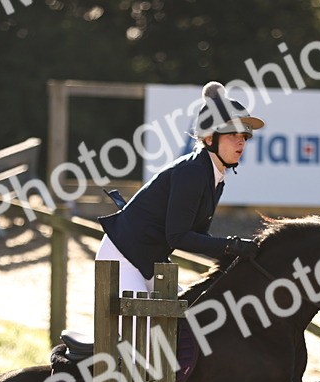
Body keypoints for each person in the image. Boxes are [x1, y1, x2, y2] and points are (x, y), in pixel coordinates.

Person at [96, 81, 265, 295]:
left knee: (181, 324)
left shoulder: (214, 176)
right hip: (122, 259)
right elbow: (178, 237)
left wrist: (235, 253)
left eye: (244, 137)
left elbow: (198, 236)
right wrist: (232, 246)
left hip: (148, 264)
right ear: (210, 138)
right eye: (233, 135)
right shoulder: (193, 172)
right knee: (147, 329)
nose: (241, 143)